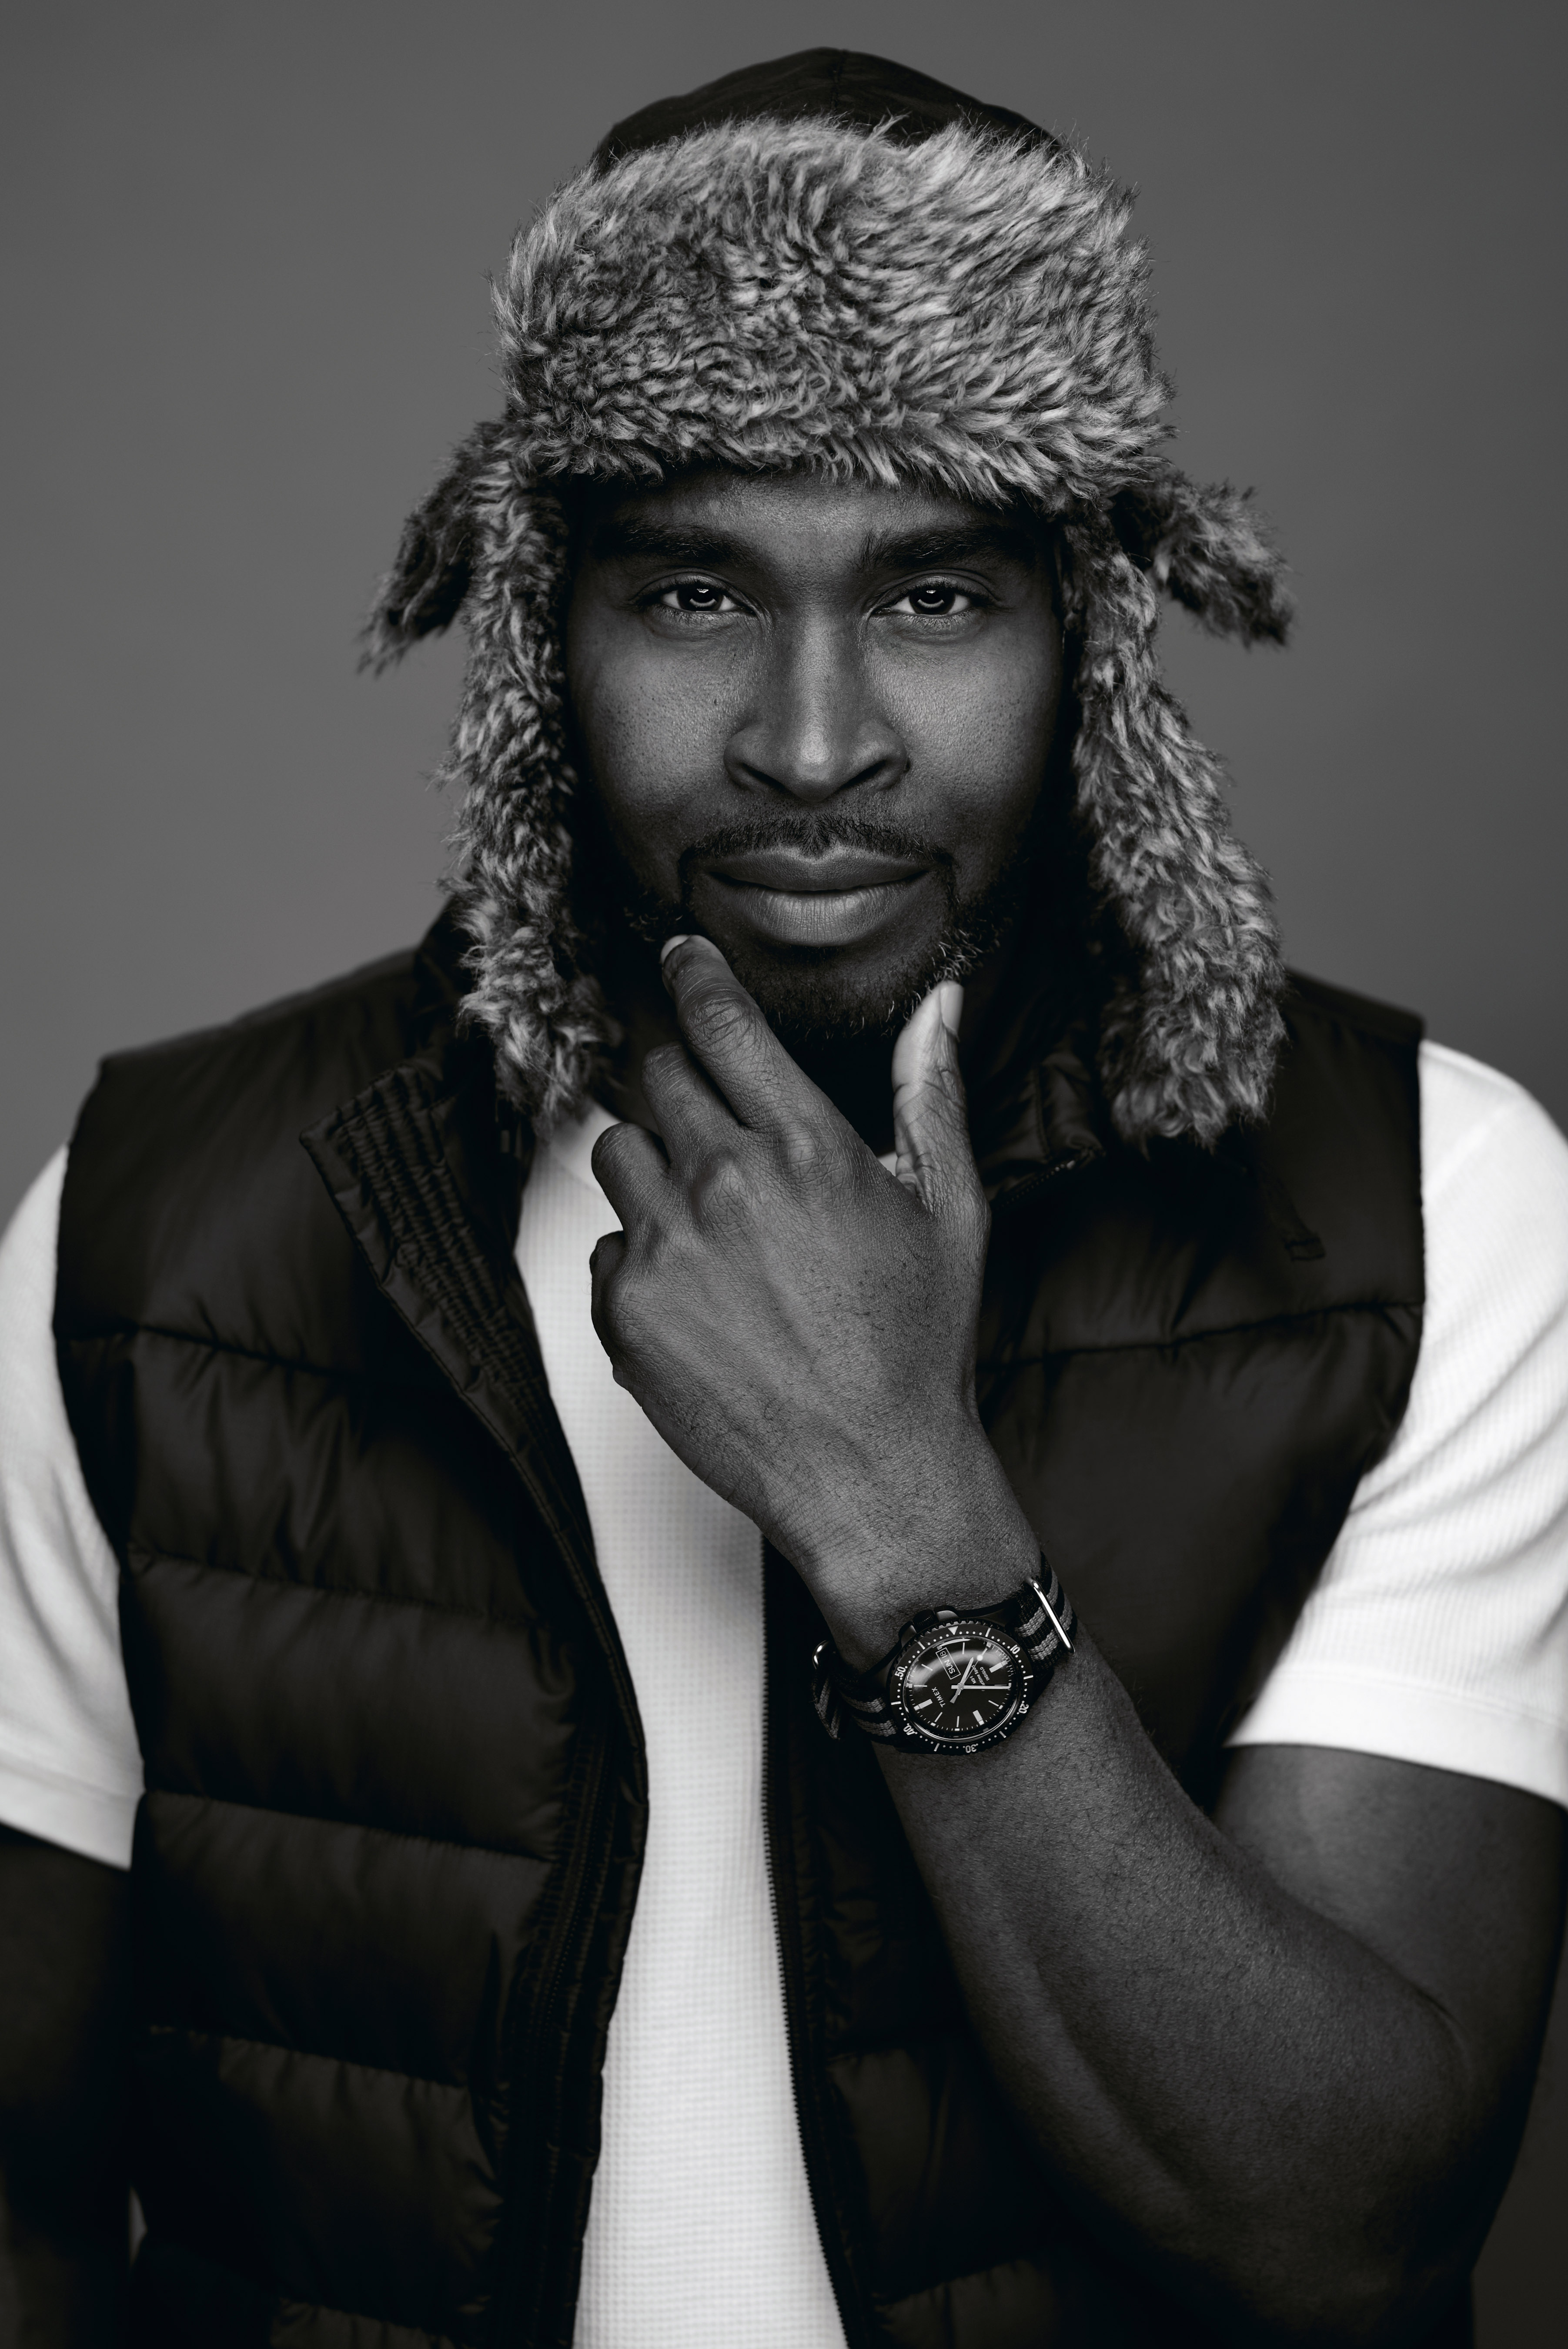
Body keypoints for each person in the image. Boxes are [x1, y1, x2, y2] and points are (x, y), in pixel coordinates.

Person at [1, 47, 1565, 2349]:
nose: (812, 744)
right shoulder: (159, 1222)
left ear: (1090, 638)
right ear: (542, 631)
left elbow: (1346, 2232)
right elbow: (24, 2205)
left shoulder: (1421, 1205)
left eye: (933, 596)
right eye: (690, 592)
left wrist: (901, 1511)